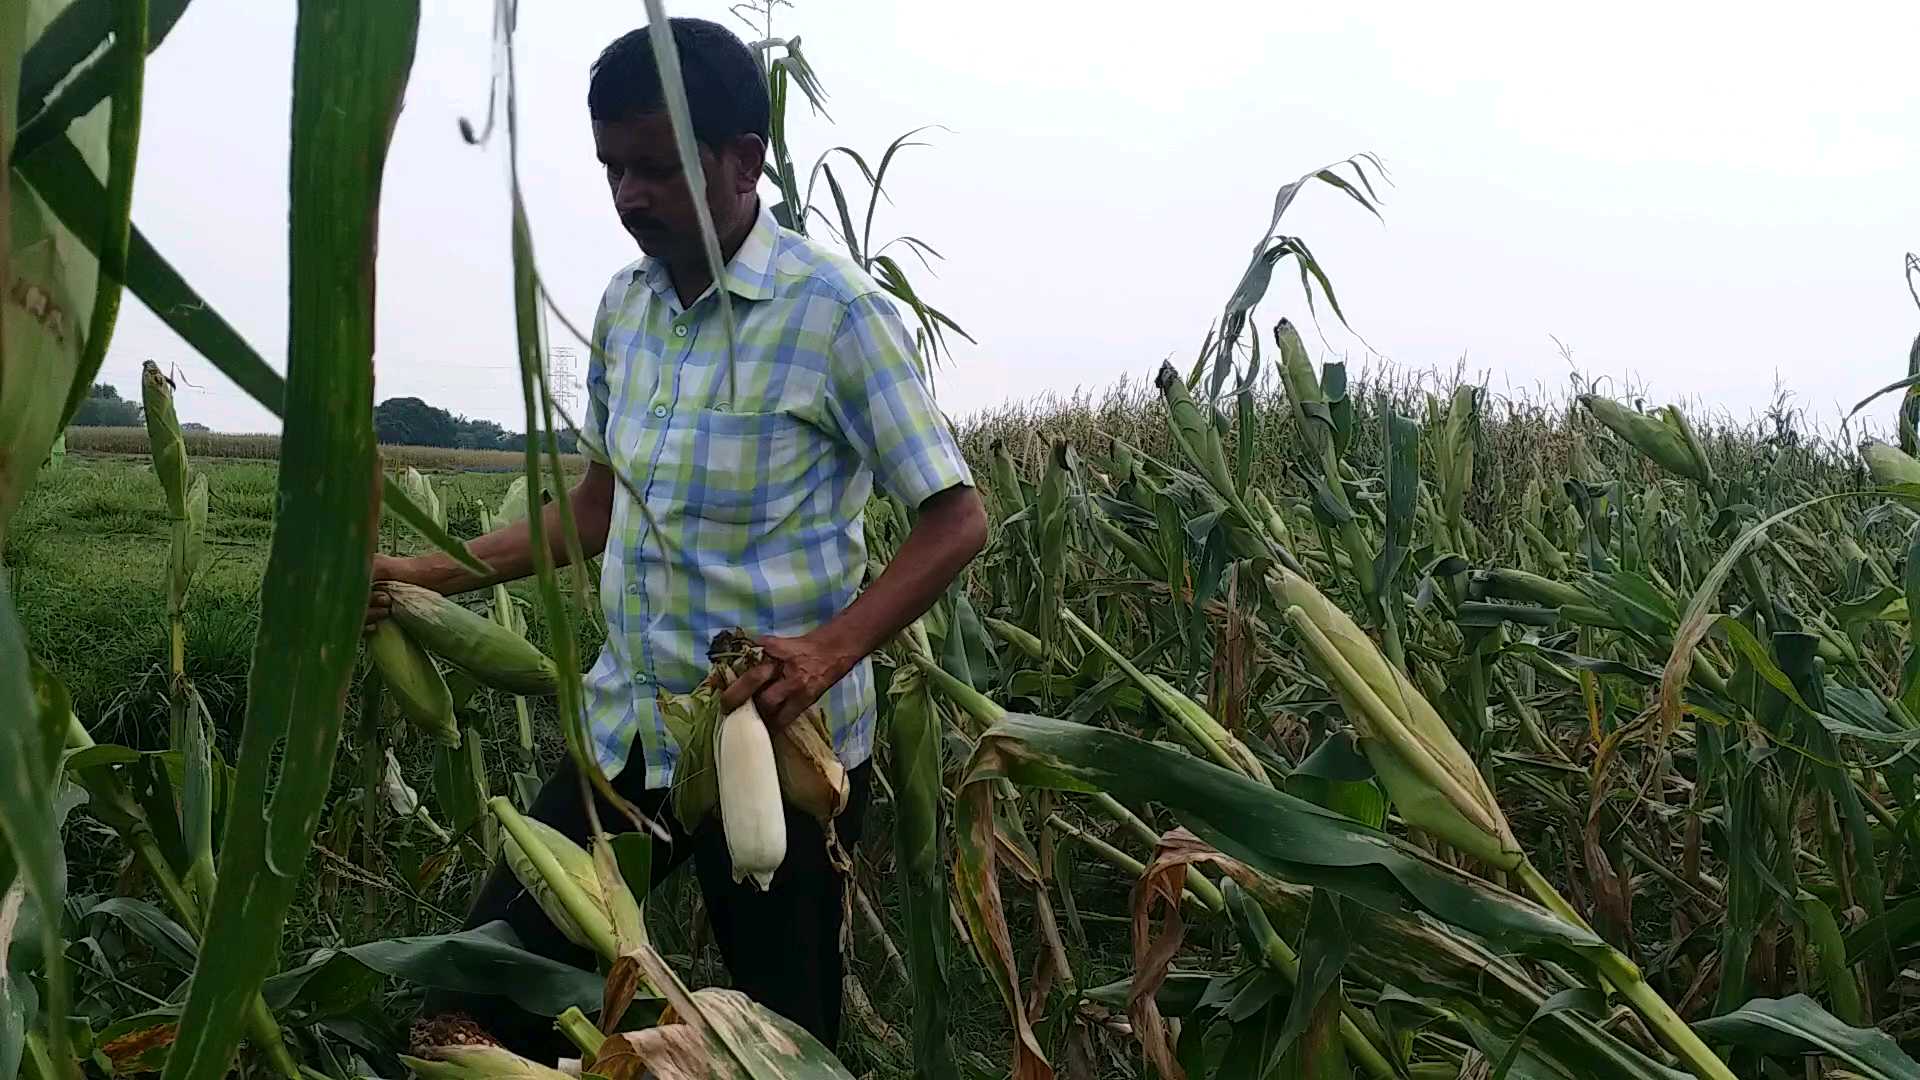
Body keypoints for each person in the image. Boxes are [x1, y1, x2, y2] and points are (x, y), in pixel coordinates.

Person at [366, 17, 987, 1060]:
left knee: (783, 1036)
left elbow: (955, 518)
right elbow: (595, 511)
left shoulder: (834, 314)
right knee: (476, 995)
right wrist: (417, 577)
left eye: (655, 168)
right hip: (629, 732)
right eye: (613, 168)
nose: (628, 196)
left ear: (746, 160)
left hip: (781, 747)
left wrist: (826, 652)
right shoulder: (625, 311)